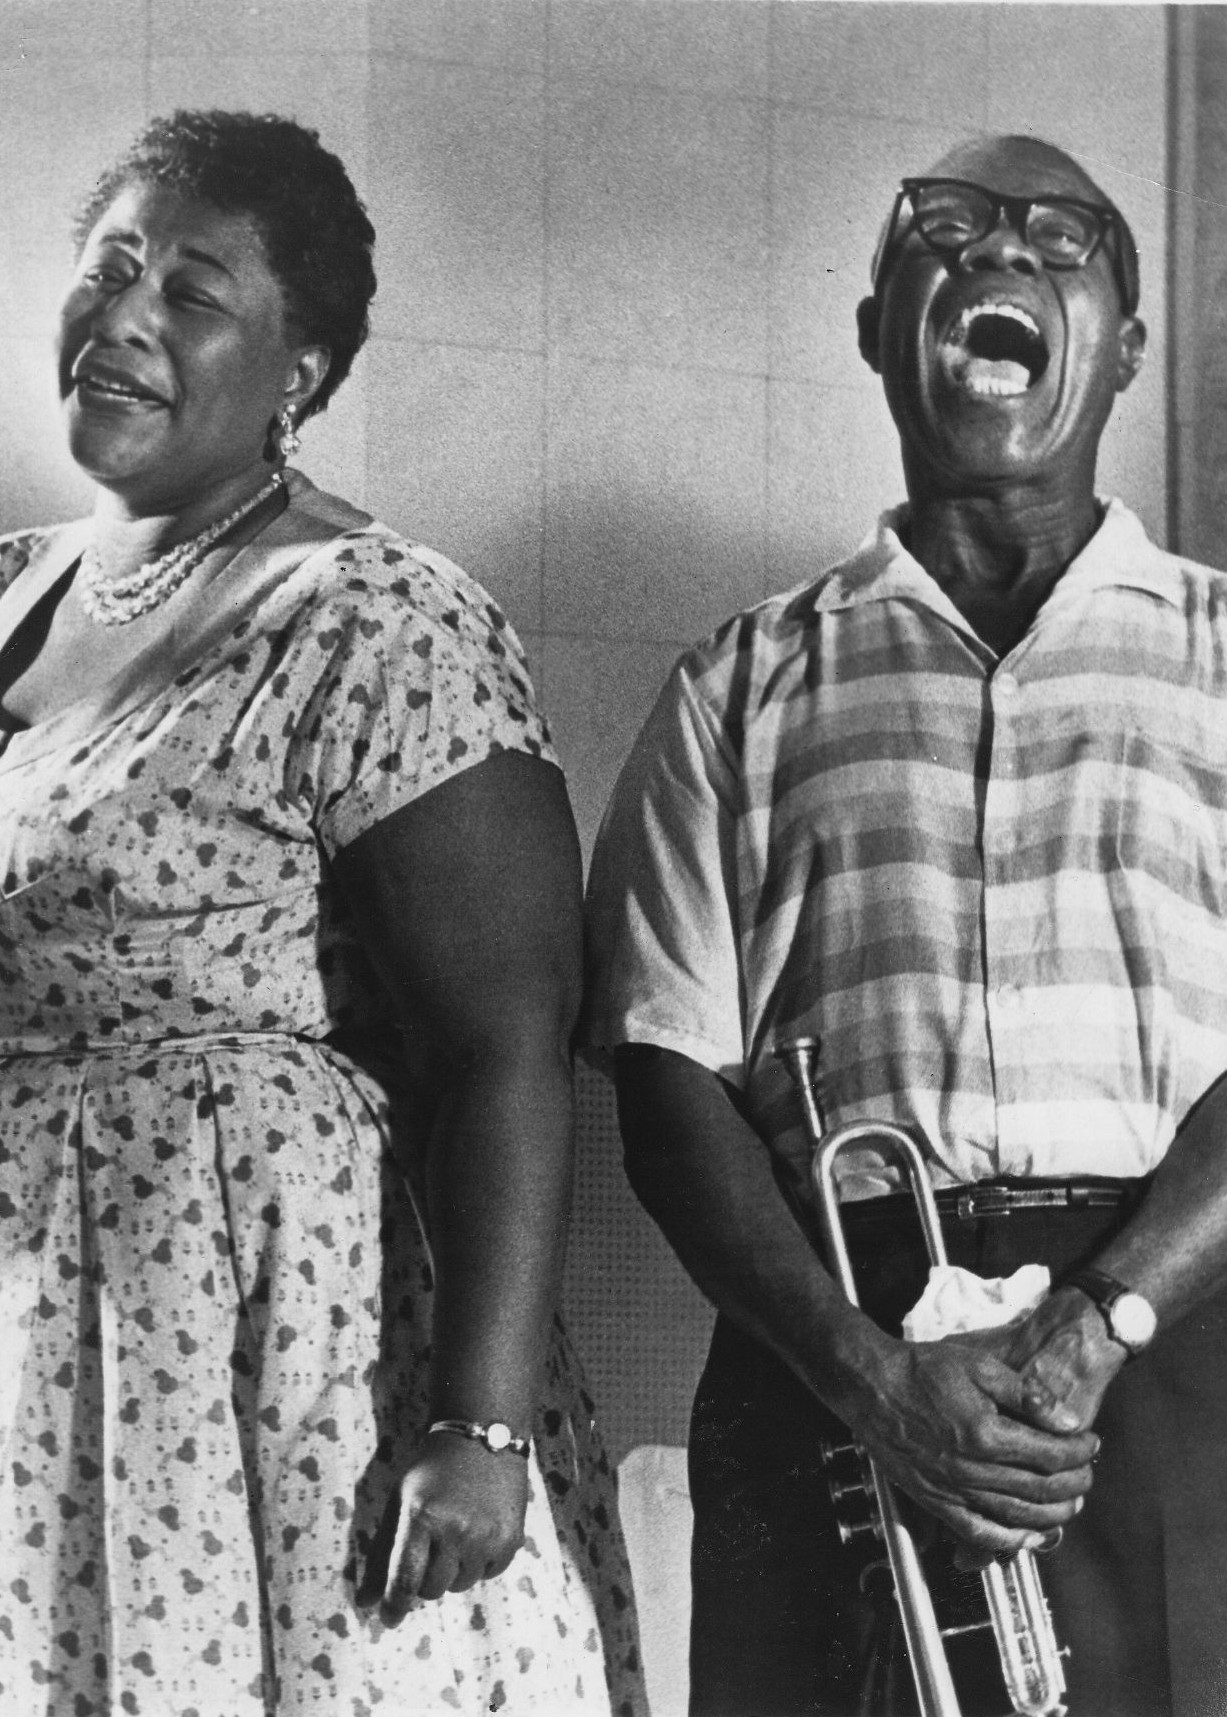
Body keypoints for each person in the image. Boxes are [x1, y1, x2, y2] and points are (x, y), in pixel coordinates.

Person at [0, 108, 643, 1717]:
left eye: (194, 291)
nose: (127, 317)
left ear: (302, 369)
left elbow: (509, 1041)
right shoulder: (9, 598)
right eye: (109, 269)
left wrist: (480, 1427)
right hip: (41, 1353)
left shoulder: (378, 614)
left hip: (287, 1367)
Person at [586, 131, 1227, 1717]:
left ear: (1128, 349)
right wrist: (874, 1380)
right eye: (942, 230)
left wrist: (1096, 1323)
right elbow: (668, 1093)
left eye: (1062, 237)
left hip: (1181, 1341)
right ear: (880, 326)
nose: (1000, 251)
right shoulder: (739, 684)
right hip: (834, 1351)